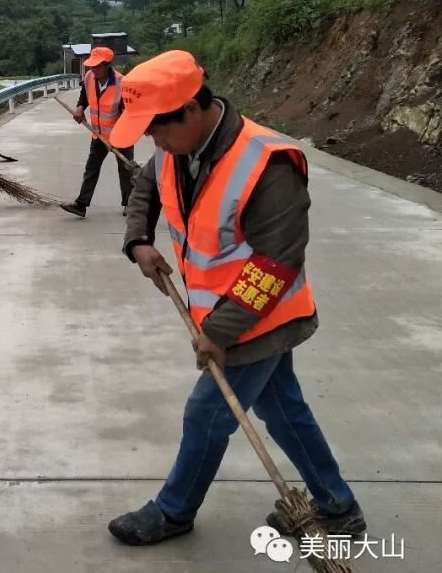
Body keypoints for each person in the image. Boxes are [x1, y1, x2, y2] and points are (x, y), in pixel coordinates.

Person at [104, 49, 364, 545]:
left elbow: (277, 261)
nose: (154, 142)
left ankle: (174, 510)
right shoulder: (175, 147)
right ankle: (337, 506)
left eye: (158, 130)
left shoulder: (266, 163)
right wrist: (138, 241)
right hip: (220, 314)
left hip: (259, 318)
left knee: (206, 414)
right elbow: (146, 188)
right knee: (283, 410)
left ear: (193, 109)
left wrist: (219, 333)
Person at [61, 46, 134, 218]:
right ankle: (81, 204)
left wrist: (122, 134)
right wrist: (80, 108)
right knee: (91, 168)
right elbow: (84, 96)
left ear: (107, 65)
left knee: (126, 170)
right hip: (98, 134)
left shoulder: (122, 83)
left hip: (121, 136)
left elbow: (129, 113)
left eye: (97, 66)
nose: (93, 70)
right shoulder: (89, 77)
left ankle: (130, 204)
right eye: (91, 66)